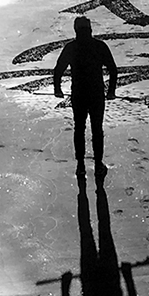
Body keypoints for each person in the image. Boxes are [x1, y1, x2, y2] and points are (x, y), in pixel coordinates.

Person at [53, 16, 118, 180]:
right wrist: (111, 91)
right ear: (90, 29)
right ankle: (98, 165)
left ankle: (80, 165)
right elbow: (113, 69)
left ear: (76, 30)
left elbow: (58, 69)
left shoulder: (71, 47)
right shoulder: (99, 46)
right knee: (97, 130)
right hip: (96, 93)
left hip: (79, 94)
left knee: (79, 129)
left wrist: (58, 89)